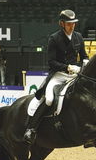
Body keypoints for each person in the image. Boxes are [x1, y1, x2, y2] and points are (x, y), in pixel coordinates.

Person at [23, 9, 88, 144]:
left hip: (74, 76)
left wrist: (86, 64)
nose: (72, 26)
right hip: (58, 75)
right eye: (69, 24)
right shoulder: (54, 38)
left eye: (73, 24)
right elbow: (51, 62)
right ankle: (31, 128)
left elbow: (84, 56)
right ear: (62, 24)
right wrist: (68, 67)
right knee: (49, 99)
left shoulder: (78, 37)